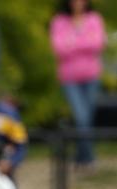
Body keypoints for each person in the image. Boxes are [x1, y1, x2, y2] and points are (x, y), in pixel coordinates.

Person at [50, 0, 106, 172]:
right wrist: (84, 41)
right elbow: (59, 48)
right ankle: (88, 159)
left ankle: (81, 158)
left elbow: (98, 44)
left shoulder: (94, 19)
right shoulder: (59, 21)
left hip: (91, 76)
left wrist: (73, 42)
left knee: (86, 119)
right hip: (70, 78)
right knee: (81, 118)